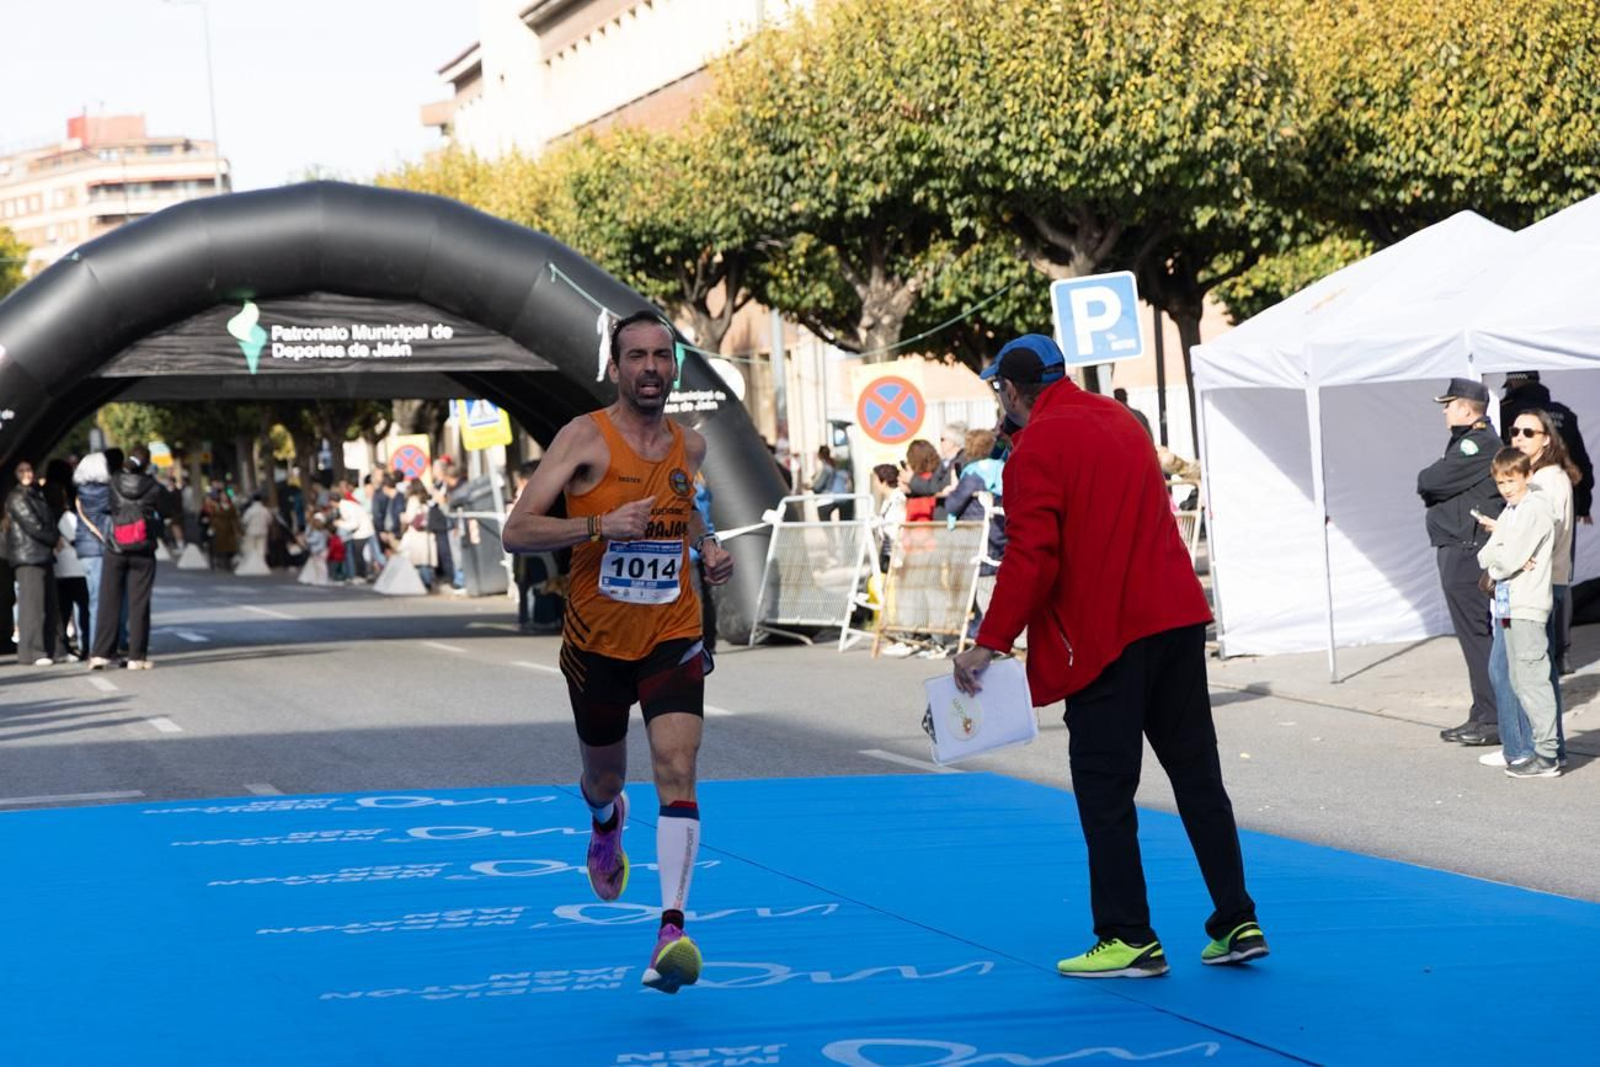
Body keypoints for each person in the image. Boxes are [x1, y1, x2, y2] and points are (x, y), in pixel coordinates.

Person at [951, 333, 1263, 979]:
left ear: (1011, 389)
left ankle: (1128, 935)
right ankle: (1236, 917)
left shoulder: (1036, 444)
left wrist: (990, 640)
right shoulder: (1118, 418)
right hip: (1174, 616)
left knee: (1105, 789)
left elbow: (1034, 553)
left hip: (1103, 635)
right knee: (1197, 776)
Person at [501, 310, 734, 995]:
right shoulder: (584, 437)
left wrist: (707, 546)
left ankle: (672, 929)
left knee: (677, 764)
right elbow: (517, 529)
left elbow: (687, 505)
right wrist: (599, 523)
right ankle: (606, 820)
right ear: (615, 367)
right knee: (605, 777)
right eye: (637, 356)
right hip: (598, 643)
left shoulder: (689, 445)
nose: (652, 368)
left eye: (662, 356)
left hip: (672, 631)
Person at [1479, 409, 1575, 770]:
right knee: (1521, 673)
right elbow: (1498, 548)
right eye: (1514, 430)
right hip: (1518, 593)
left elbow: (1544, 535)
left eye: (1528, 432)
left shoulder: (1546, 483)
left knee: (1521, 673)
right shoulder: (1520, 489)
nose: (1518, 436)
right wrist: (1504, 549)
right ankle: (1532, 747)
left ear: (1546, 438)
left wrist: (1518, 555)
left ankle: (1528, 749)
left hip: (1536, 589)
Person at [1419, 378, 1505, 747]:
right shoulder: (1467, 441)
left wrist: (1431, 477)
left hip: (1467, 549)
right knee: (1473, 636)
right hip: (1461, 545)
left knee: (1476, 636)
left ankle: (1493, 717)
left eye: (1449, 404)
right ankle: (1482, 711)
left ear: (1468, 408)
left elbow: (1431, 480)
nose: (1444, 410)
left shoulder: (1477, 442)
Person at [1499, 371, 1594, 672]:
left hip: (1531, 505)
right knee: (1561, 576)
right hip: (1569, 502)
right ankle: (1562, 653)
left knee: (1542, 581)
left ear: (1514, 382)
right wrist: (1584, 503)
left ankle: (1549, 655)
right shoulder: (1565, 413)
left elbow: (1502, 466)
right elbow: (1582, 460)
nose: (1520, 437)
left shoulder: (1509, 414)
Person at [91, 447, 163, 671]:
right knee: (139, 603)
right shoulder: (153, 485)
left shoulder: (114, 481)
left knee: (108, 601)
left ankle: (101, 653)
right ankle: (136, 656)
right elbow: (167, 510)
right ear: (147, 463)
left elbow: (106, 507)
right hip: (143, 547)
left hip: (116, 546)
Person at [944, 429, 1007, 639]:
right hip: (1001, 533)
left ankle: (987, 636)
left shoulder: (973, 473)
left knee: (983, 591)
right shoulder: (1002, 468)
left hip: (976, 537)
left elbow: (954, 504)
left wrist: (951, 492)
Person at [6, 461, 62, 666]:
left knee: (47, 603)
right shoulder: (18, 497)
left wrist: (53, 537)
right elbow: (34, 525)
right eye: (21, 471)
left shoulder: (34, 493)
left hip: (41, 553)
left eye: (29, 470)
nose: (26, 474)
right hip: (28, 555)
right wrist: (54, 539)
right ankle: (33, 651)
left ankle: (50, 648)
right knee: (32, 606)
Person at [810, 446, 854, 522]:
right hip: (840, 497)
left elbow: (818, 487)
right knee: (843, 526)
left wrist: (810, 487)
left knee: (827, 527)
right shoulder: (834, 465)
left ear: (819, 455)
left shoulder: (826, 468)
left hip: (826, 499)